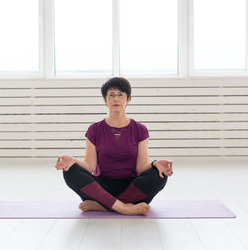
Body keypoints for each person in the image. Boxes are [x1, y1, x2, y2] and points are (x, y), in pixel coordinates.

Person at [55, 77, 173, 216]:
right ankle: (124, 208)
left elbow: (141, 167)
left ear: (128, 99)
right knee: (70, 171)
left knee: (159, 174)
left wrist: (156, 163)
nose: (116, 99)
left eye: (120, 95)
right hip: (101, 187)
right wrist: (73, 161)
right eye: (111, 95)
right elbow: (90, 167)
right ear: (105, 100)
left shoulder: (140, 129)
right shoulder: (94, 129)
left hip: (132, 187)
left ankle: (103, 205)